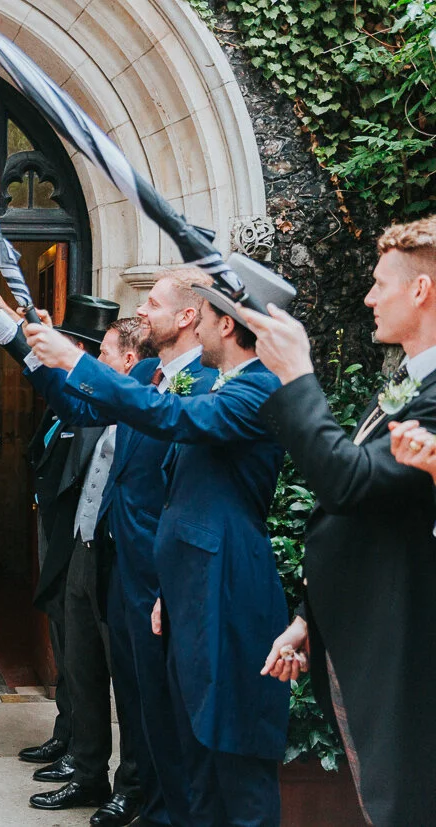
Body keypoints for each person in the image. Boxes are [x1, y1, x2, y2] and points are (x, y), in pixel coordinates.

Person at [24, 263, 294, 827]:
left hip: (226, 586)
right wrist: (166, 591)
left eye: (212, 314)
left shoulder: (259, 388)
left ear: (223, 325)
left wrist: (76, 357)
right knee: (184, 736)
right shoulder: (222, 384)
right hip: (186, 585)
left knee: (226, 742)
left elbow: (168, 417)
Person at [0, 270, 218, 826]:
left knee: (149, 698)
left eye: (152, 302)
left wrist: (73, 356)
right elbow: (80, 407)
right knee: (124, 683)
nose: (141, 310)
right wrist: (11, 331)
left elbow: (164, 429)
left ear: (186, 317)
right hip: (114, 557)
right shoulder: (150, 372)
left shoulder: (205, 384)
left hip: (156, 567)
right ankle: (121, 787)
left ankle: (145, 796)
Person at [244, 214, 436, 826]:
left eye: (381, 283)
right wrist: (308, 617)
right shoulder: (408, 383)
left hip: (407, 642)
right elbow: (374, 506)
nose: (369, 296)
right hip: (366, 626)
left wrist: (297, 374)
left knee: (402, 804)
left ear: (421, 291)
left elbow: (348, 482)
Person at [26, 317, 152, 824]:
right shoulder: (103, 403)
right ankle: (87, 770)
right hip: (82, 546)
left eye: (104, 355)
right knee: (80, 664)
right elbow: (64, 396)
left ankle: (132, 785)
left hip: (118, 557)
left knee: (124, 676)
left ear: (127, 361)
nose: (96, 363)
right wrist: (18, 336)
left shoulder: (150, 408)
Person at [14, 296, 119, 785]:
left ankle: (81, 746)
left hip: (79, 541)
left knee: (77, 648)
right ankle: (66, 731)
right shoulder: (65, 404)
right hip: (57, 532)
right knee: (62, 639)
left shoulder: (96, 403)